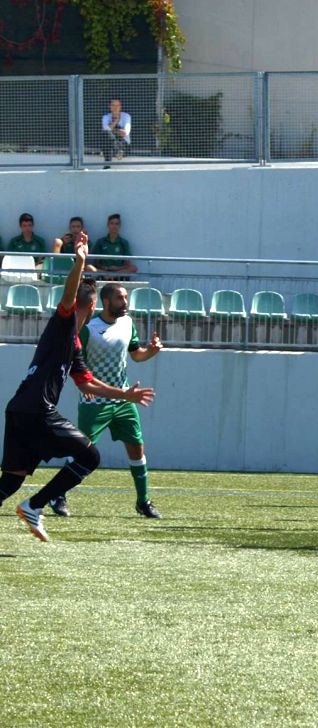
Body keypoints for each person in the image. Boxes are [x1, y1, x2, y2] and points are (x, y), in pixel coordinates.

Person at [0, 232, 155, 543]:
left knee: (12, 480)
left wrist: (124, 395)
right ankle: (35, 505)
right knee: (90, 457)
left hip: (18, 409)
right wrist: (80, 262)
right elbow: (69, 297)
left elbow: (87, 383)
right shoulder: (65, 324)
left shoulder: (73, 343)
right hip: (37, 410)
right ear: (94, 302)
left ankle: (32, 503)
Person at [49, 283, 163, 519]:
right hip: (95, 399)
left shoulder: (128, 322)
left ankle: (143, 501)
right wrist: (84, 385)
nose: (125, 302)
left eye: (126, 297)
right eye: (120, 298)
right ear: (106, 301)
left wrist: (150, 351)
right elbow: (70, 360)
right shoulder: (89, 328)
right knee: (83, 451)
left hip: (123, 397)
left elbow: (136, 355)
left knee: (136, 447)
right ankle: (57, 495)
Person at [101, 98, 131, 165]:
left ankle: (107, 164)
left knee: (108, 134)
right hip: (111, 147)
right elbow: (105, 129)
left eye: (117, 105)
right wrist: (116, 121)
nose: (115, 108)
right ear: (110, 107)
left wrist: (112, 129)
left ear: (120, 107)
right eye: (113, 105)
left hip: (124, 146)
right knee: (107, 135)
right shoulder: (106, 117)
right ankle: (117, 152)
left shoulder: (126, 116)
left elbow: (125, 132)